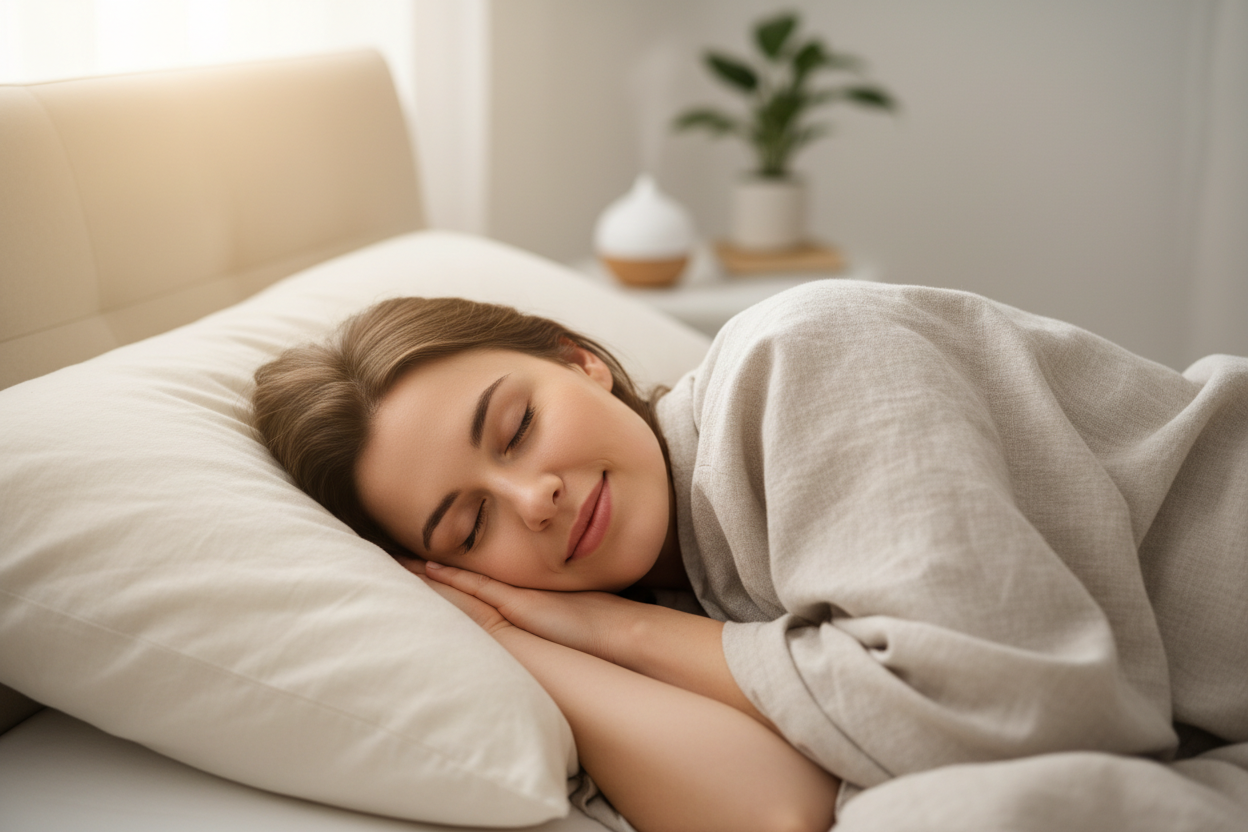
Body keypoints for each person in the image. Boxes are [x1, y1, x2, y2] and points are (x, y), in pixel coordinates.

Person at [252, 282, 1248, 832]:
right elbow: (780, 814)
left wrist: (619, 627)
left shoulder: (798, 356)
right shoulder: (691, 584)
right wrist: (521, 636)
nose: (533, 497)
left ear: (576, 359)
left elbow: (1018, 713)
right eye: (469, 529)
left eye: (515, 426)